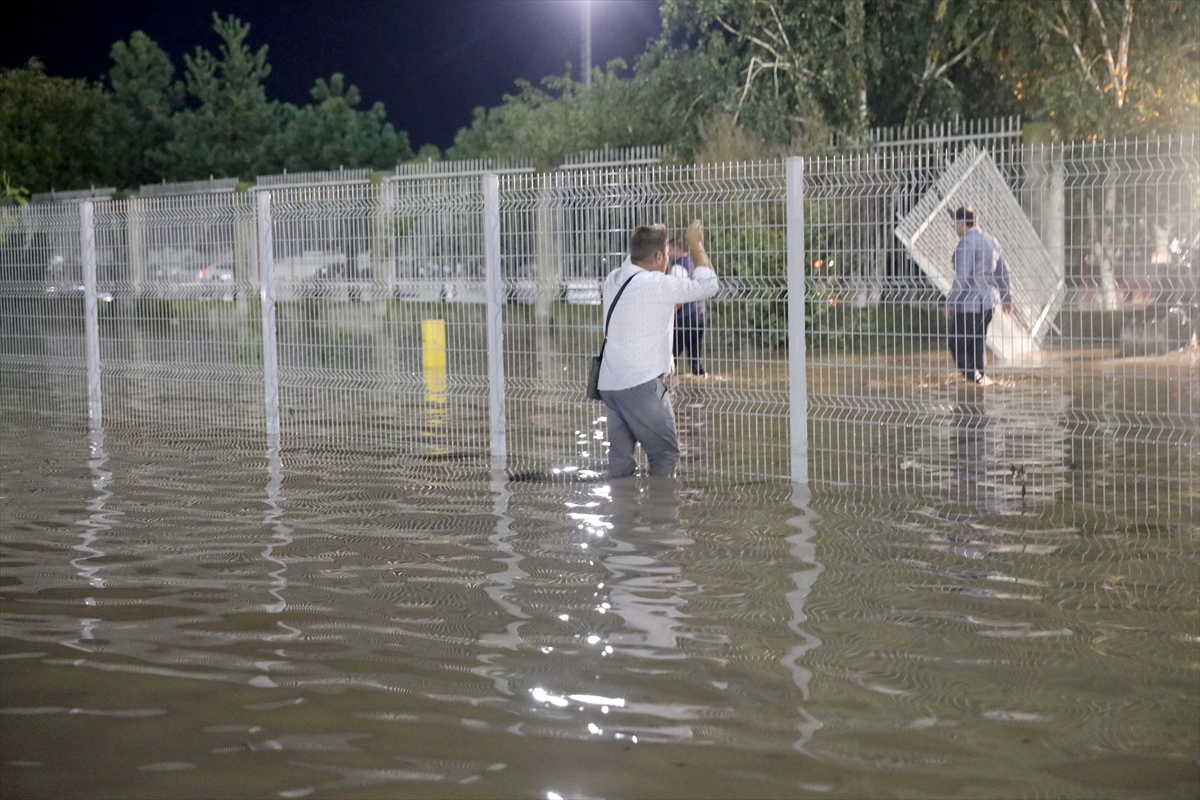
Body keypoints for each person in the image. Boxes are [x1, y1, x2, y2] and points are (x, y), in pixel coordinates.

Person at [598, 221, 718, 479]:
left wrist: (650, 237)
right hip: (640, 384)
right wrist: (696, 245)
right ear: (660, 257)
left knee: (620, 462)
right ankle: (662, 516)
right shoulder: (655, 284)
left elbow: (640, 305)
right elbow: (709, 285)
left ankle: (622, 513)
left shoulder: (614, 278)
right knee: (665, 455)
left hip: (610, 383)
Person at [944, 206, 1012, 386]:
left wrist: (950, 303)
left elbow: (962, 278)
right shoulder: (992, 241)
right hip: (988, 304)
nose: (955, 229)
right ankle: (978, 391)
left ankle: (977, 382)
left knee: (956, 345)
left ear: (960, 223)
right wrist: (1006, 299)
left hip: (969, 305)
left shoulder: (966, 243)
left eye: (955, 225)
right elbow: (1002, 273)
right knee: (977, 345)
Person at [669, 238, 707, 376]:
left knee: (670, 354)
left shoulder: (677, 268)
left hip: (683, 317)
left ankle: (667, 384)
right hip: (699, 313)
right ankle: (699, 383)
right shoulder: (694, 264)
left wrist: (670, 313)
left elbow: (680, 297)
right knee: (695, 357)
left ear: (677, 249)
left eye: (670, 249)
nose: (668, 253)